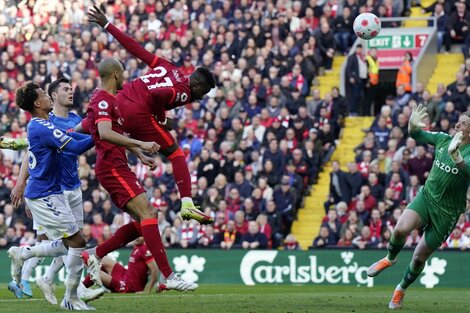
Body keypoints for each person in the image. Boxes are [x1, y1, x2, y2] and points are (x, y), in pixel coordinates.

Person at [86, 5, 215, 224]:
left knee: (92, 126)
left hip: (120, 98)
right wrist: (162, 119)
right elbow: (158, 96)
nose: (201, 97)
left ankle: (57, 135)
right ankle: (187, 204)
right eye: (203, 91)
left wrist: (107, 25)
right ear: (198, 83)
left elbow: (136, 50)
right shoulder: (183, 92)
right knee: (176, 155)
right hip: (138, 111)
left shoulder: (169, 67)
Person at [82, 57, 196, 292]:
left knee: (141, 223)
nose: (125, 77)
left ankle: (94, 255)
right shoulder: (103, 99)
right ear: (115, 74)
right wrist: (140, 143)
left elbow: (105, 132)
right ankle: (170, 276)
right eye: (122, 72)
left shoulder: (112, 101)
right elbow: (104, 133)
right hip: (112, 167)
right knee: (149, 213)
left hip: (118, 164)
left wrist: (138, 153)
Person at [7, 78, 104, 304]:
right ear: (37, 103)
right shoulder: (41, 127)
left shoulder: (44, 124)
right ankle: (71, 297)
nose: (47, 96)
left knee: (72, 243)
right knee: (77, 242)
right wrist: (103, 134)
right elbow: (78, 146)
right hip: (43, 194)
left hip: (53, 191)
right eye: (43, 94)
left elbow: (78, 138)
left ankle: (25, 254)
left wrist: (101, 133)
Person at [367, 103, 470, 309]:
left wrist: (457, 156)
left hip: (447, 213)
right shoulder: (443, 139)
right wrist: (412, 127)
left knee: (418, 258)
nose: (458, 123)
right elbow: (418, 135)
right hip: (427, 197)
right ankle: (389, 258)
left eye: (464, 123)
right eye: (459, 120)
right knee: (400, 230)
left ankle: (400, 290)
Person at [81, 238, 159, 294]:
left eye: (140, 236)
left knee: (96, 272)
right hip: (125, 276)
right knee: (103, 259)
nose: (137, 238)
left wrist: (148, 291)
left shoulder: (144, 250)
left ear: (145, 237)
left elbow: (154, 270)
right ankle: (103, 284)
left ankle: (81, 289)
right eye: (136, 236)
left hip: (128, 287)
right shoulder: (137, 247)